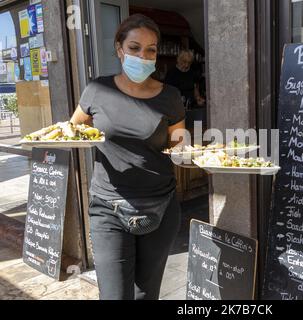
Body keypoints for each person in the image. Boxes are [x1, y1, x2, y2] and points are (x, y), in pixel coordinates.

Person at [70, 14, 186, 300]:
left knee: (147, 295)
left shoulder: (170, 96)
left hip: (161, 206)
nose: (143, 56)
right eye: (135, 48)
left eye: (151, 50)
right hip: (108, 207)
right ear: (119, 49)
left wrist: (202, 158)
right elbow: (72, 130)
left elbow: (180, 146)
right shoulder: (97, 89)